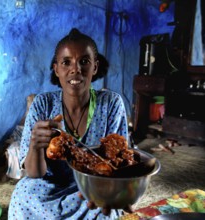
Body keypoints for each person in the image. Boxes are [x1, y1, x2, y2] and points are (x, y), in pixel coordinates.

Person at [8, 28, 129, 219]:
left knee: (104, 207)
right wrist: (35, 144)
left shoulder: (111, 103)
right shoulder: (42, 104)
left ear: (95, 67)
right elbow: (34, 173)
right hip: (47, 186)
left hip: (92, 186)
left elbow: (118, 163)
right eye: (66, 62)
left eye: (84, 61)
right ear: (56, 69)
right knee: (23, 196)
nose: (75, 69)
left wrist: (120, 189)